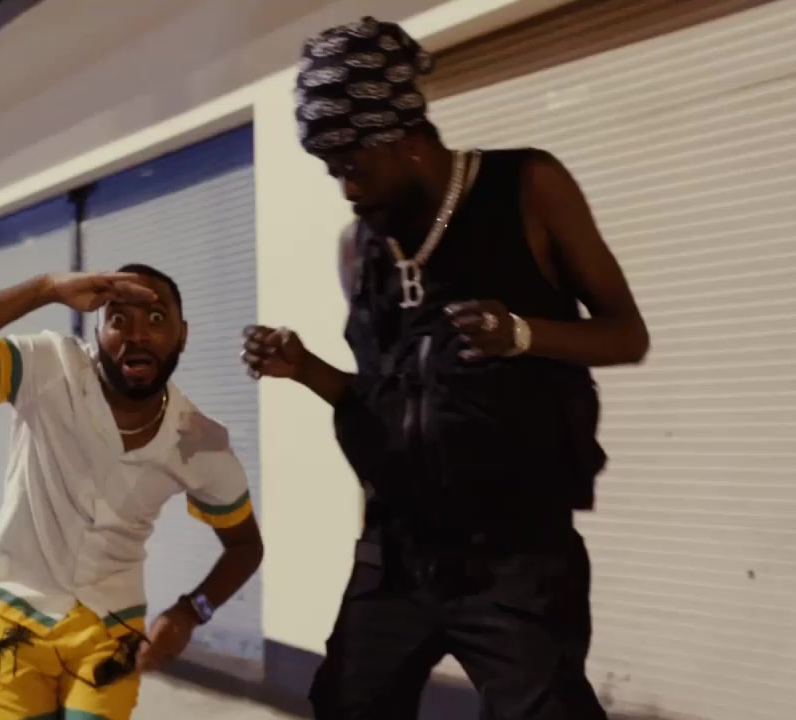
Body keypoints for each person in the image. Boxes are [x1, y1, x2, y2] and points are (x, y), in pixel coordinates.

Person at [243, 17, 649, 720]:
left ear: (404, 138)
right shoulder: (359, 248)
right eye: (332, 171)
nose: (345, 190)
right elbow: (384, 400)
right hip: (396, 552)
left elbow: (626, 335)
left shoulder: (528, 187)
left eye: (352, 166)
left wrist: (521, 334)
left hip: (516, 554)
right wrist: (305, 368)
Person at [0, 265, 263, 720]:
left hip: (111, 629)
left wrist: (191, 612)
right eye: (118, 319)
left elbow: (245, 546)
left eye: (155, 319)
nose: (137, 335)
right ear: (97, 331)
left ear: (182, 335)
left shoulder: (200, 440)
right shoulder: (48, 367)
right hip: (9, 618)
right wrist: (44, 288)